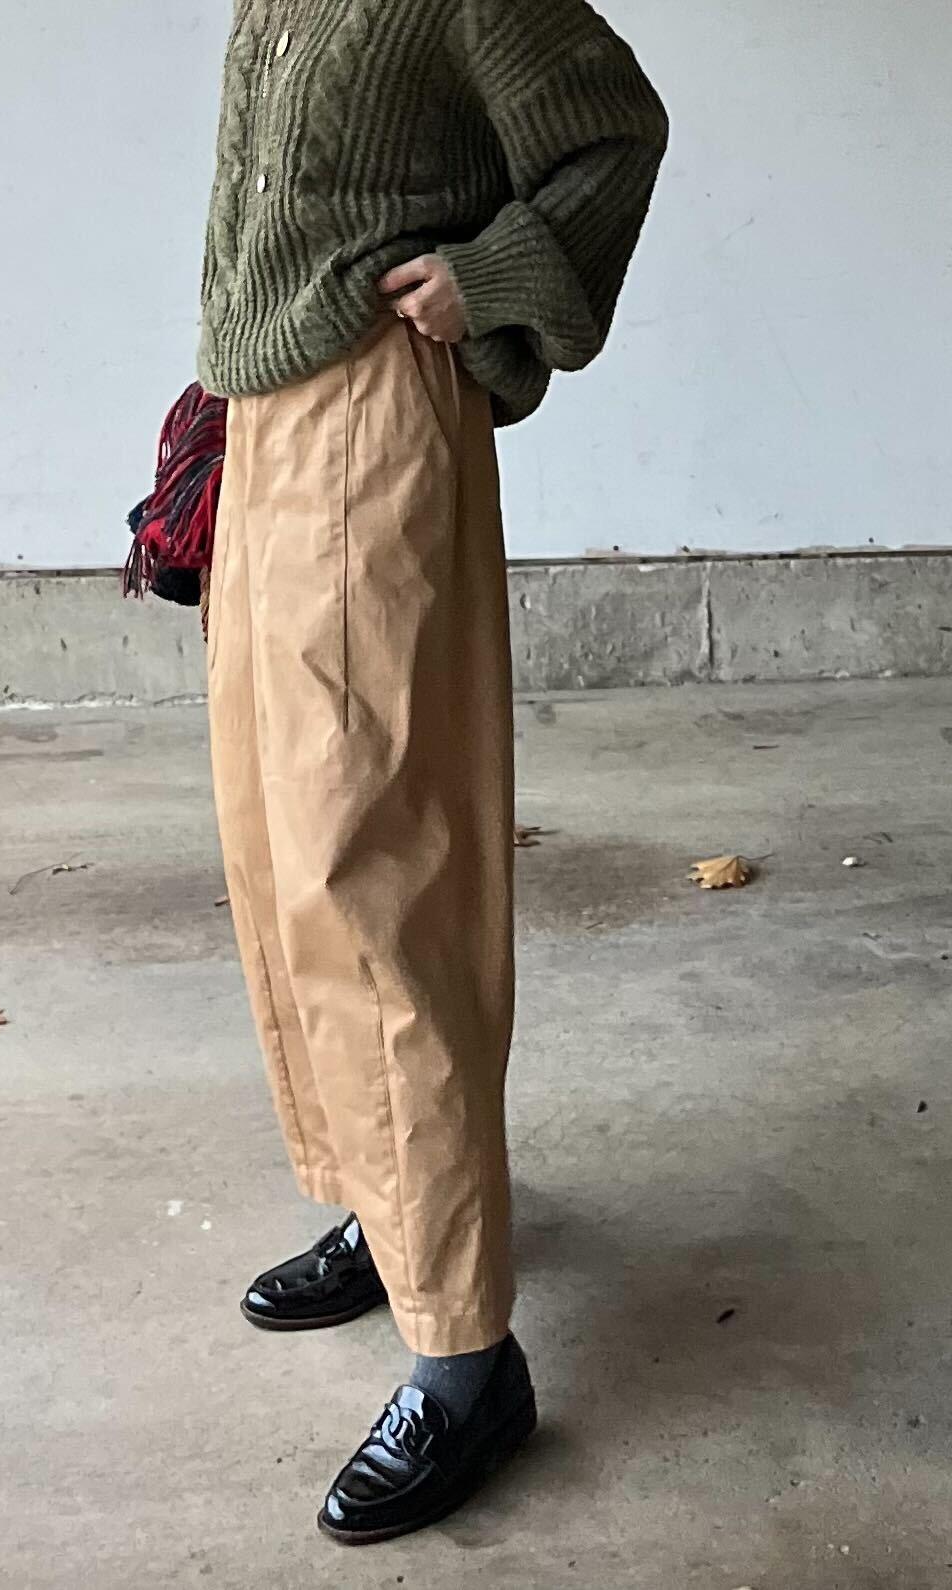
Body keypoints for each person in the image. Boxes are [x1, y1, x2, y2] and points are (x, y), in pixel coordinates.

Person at [197, 0, 668, 1544]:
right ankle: (387, 1207)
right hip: (269, 424)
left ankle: (465, 1358)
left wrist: (494, 278)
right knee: (279, 840)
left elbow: (614, 129)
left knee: (374, 864)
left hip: (371, 418)